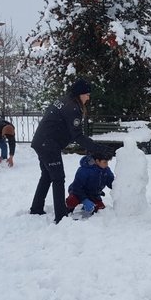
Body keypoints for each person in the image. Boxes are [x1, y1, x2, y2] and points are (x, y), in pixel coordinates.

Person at [30, 78, 111, 224]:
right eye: (86, 94)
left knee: (47, 175)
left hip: (41, 141)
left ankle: (36, 208)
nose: (88, 97)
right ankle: (61, 217)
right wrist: (99, 149)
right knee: (58, 178)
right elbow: (77, 136)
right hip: (48, 144)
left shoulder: (66, 101)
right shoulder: (73, 108)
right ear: (79, 94)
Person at [66, 151, 115, 220]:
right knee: (72, 201)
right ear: (97, 161)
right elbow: (77, 188)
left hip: (94, 194)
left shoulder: (106, 170)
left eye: (107, 162)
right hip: (78, 192)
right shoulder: (84, 170)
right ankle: (68, 209)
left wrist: (119, 187)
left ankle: (89, 204)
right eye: (104, 162)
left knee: (101, 209)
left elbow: (111, 182)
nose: (107, 164)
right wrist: (84, 200)